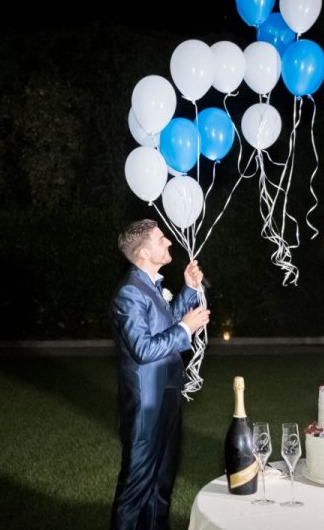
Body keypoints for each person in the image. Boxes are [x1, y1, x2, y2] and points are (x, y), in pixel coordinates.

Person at [110, 219, 210, 530]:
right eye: (160, 239)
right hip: (146, 406)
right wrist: (186, 329)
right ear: (143, 253)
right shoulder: (129, 293)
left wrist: (190, 289)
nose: (168, 242)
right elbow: (143, 348)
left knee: (161, 488)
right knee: (136, 489)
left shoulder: (151, 286)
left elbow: (165, 326)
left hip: (167, 397)